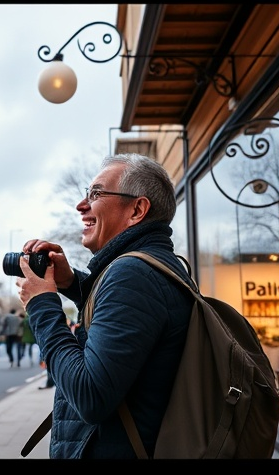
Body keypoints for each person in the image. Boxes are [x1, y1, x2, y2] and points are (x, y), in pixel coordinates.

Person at [15, 153, 195, 459]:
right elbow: (126, 325)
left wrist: (42, 304)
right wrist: (72, 283)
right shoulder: (157, 266)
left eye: (96, 194)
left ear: (137, 209)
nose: (81, 205)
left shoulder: (133, 275)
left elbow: (89, 396)